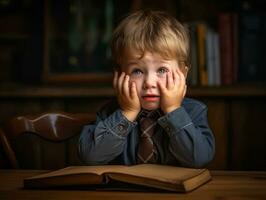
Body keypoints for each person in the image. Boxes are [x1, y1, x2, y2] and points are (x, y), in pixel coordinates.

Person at [79, 10, 215, 168]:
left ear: (183, 74)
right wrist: (127, 113)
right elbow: (90, 157)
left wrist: (173, 110)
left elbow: (199, 158)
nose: (150, 83)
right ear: (119, 75)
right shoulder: (110, 113)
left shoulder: (194, 111)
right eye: (137, 71)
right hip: (123, 192)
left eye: (162, 70)